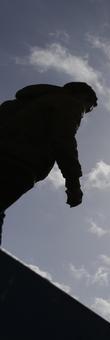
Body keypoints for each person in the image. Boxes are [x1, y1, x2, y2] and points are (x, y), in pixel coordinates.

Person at [0, 82, 98, 244]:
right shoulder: (69, 103)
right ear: (83, 96)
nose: (86, 111)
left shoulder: (24, 102)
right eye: (89, 107)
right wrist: (73, 184)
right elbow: (64, 141)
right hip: (18, 165)